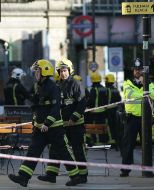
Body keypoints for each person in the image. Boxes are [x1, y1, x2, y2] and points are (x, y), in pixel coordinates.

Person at [8, 59, 81, 187]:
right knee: (33, 151)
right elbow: (36, 103)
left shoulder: (53, 87)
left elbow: (55, 108)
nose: (35, 73)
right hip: (40, 128)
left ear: (44, 72)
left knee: (63, 151)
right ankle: (23, 177)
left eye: (37, 71)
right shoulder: (38, 86)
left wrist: (47, 123)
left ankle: (75, 176)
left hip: (54, 128)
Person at [37, 58, 88, 184]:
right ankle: (51, 174)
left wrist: (74, 117)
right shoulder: (57, 85)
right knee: (55, 148)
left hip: (75, 125)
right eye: (60, 71)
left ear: (69, 71)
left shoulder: (76, 84)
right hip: (61, 125)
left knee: (77, 150)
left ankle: (82, 176)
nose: (62, 73)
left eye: (65, 70)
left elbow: (82, 103)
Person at [120, 58, 154, 177]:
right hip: (131, 119)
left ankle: (147, 170)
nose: (137, 72)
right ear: (133, 71)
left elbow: (153, 94)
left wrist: (144, 85)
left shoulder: (149, 83)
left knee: (146, 145)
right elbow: (130, 94)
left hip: (145, 118)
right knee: (128, 145)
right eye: (136, 70)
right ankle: (125, 170)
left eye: (139, 70)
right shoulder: (127, 83)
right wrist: (144, 93)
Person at [86, 72, 108, 144]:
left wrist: (87, 106)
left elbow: (91, 100)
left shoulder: (93, 89)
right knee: (102, 126)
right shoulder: (104, 89)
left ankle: (97, 141)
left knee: (95, 127)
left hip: (94, 112)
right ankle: (103, 141)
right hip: (104, 111)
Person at [105, 74, 121, 148]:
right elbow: (119, 100)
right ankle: (117, 142)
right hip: (115, 111)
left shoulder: (106, 90)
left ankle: (112, 142)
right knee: (116, 127)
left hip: (108, 111)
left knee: (109, 127)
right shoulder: (116, 90)